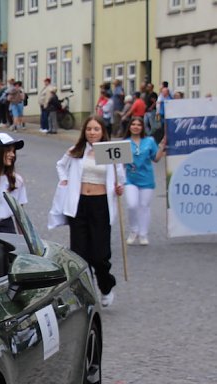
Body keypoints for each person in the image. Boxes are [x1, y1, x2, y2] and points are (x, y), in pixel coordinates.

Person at [49, 116, 125, 308]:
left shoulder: (109, 151)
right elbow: (60, 165)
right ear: (84, 131)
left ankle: (106, 286)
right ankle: (86, 291)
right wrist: (65, 180)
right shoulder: (76, 151)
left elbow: (119, 176)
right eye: (89, 129)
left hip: (101, 206)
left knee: (100, 255)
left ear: (102, 132)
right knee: (79, 253)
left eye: (96, 129)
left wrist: (119, 187)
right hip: (79, 205)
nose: (92, 132)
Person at [123, 117, 166, 246]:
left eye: (139, 125)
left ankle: (143, 233)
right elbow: (118, 163)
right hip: (130, 179)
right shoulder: (124, 143)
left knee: (144, 206)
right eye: (133, 124)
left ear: (142, 127)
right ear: (129, 126)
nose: (136, 127)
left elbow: (156, 159)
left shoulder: (149, 141)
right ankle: (133, 230)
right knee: (132, 205)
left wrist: (161, 147)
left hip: (146, 180)